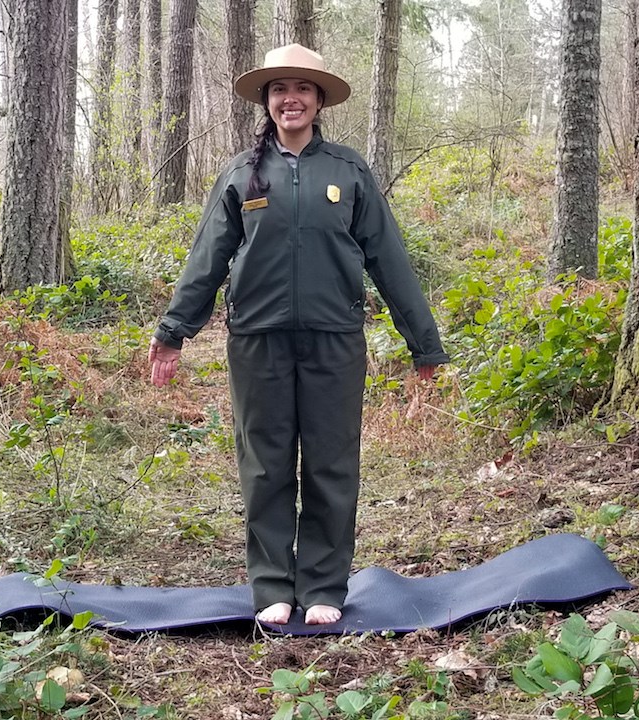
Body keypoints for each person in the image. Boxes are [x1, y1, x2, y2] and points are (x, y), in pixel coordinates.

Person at [148, 44, 449, 625]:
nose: (292, 98)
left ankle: (323, 586)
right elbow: (208, 258)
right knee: (265, 464)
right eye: (280, 89)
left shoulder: (347, 170)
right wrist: (174, 329)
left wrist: (424, 344)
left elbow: (389, 259)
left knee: (331, 463)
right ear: (267, 101)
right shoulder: (242, 173)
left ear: (319, 101)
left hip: (335, 337)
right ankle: (272, 586)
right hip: (257, 338)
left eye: (303, 88)